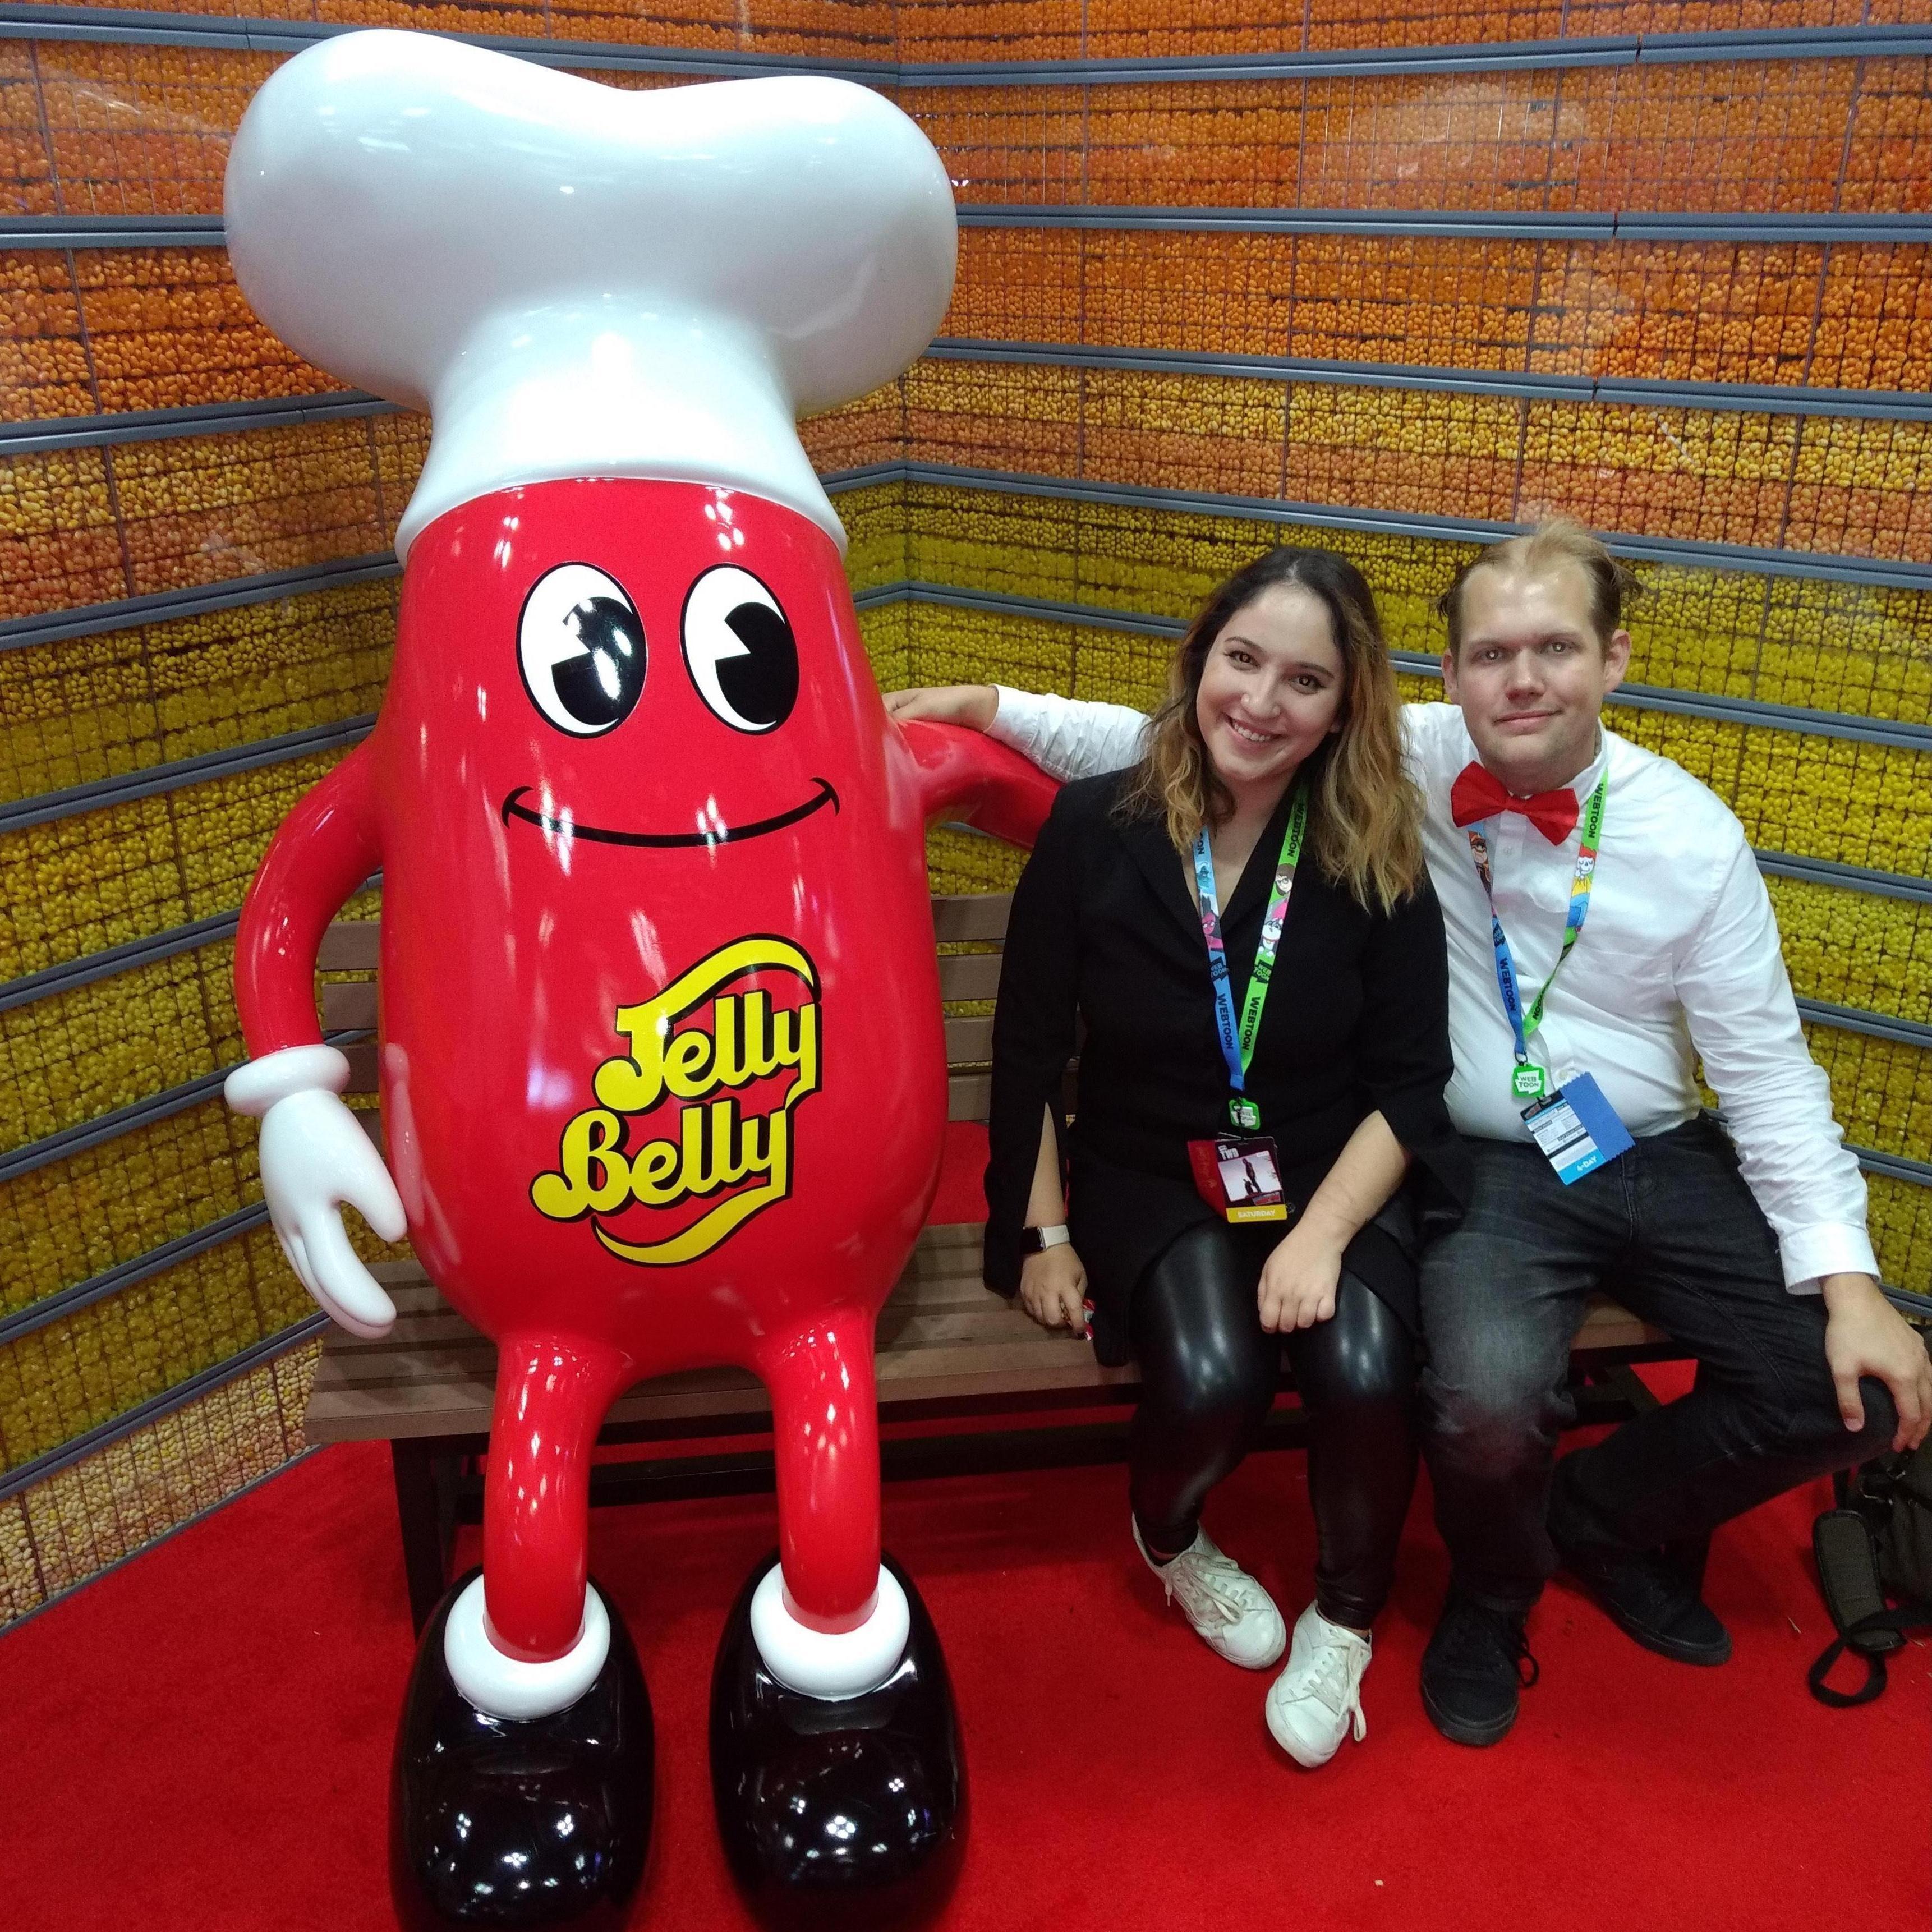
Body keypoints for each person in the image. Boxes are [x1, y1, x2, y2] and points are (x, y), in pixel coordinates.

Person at [889, 517, 1932, 1749]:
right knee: (1479, 1403)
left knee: (1849, 1390)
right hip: (1483, 1163)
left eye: (1555, 648)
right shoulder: (1407, 761)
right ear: (1450, 677)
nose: (1523, 680)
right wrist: (972, 698)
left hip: (1639, 1147)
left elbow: (1767, 1075)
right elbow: (1163, 736)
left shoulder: (1683, 833)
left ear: (1616, 659)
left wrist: (1850, 1280)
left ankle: (1586, 1522)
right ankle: (1491, 1598)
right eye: (1493, 653)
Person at [979, 546, 1468, 1767]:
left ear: (1347, 706)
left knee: (1364, 1366)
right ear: (1201, 662)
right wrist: (1041, 1234)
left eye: (1305, 680)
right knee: (1213, 1376)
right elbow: (1030, 1051)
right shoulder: (1098, 827)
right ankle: (1174, 1541)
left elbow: (1410, 1087)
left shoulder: (1375, 846)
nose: (1261, 702)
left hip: (1328, 1166)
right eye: (1241, 661)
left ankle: (1346, 1615)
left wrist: (1322, 1235)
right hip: (1152, 1163)